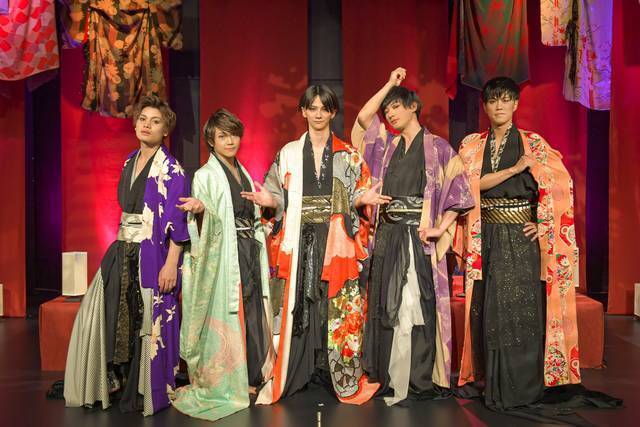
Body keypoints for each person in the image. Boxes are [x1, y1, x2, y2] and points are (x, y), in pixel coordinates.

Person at [455, 77, 621, 417]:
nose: (499, 106)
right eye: (493, 100)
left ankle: (522, 385)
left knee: (521, 311)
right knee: (491, 310)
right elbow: (466, 187)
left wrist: (543, 223)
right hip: (487, 236)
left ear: (516, 104)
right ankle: (494, 383)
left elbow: (561, 186)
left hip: (521, 238)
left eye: (506, 99)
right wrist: (515, 169)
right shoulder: (472, 146)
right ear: (485, 106)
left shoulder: (535, 144)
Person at [243, 85, 385, 404]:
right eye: (312, 108)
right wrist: (269, 201)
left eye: (324, 108)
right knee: (298, 305)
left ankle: (339, 374)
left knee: (336, 306)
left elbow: (357, 194)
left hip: (336, 239)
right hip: (299, 236)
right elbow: (276, 194)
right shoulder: (289, 153)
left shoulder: (348, 154)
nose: (318, 114)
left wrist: (363, 198)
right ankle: (298, 369)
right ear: (303, 112)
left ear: (333, 113)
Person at [352, 67, 474, 405]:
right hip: (388, 235)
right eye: (387, 108)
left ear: (413, 107)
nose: (390, 113)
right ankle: (388, 375)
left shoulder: (438, 148)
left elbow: (460, 192)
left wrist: (441, 227)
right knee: (387, 304)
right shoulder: (385, 146)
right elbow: (363, 119)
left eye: (396, 106)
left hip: (418, 237)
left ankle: (418, 377)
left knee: (417, 305)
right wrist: (388, 85)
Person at [64, 95, 189, 415]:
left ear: (165, 130)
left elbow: (178, 222)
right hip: (122, 249)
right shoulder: (129, 160)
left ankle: (144, 386)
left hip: (152, 253)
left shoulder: (172, 169)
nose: (147, 125)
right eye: (142, 119)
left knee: (145, 320)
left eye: (155, 121)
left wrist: (171, 264)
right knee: (113, 315)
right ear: (135, 125)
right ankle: (114, 379)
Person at [172, 109, 275, 421]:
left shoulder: (243, 172)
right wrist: (202, 210)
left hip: (247, 248)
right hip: (225, 254)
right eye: (223, 136)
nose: (230, 141)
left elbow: (252, 215)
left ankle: (251, 375)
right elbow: (206, 225)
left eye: (234, 135)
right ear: (211, 141)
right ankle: (229, 380)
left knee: (252, 308)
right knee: (232, 312)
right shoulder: (205, 175)